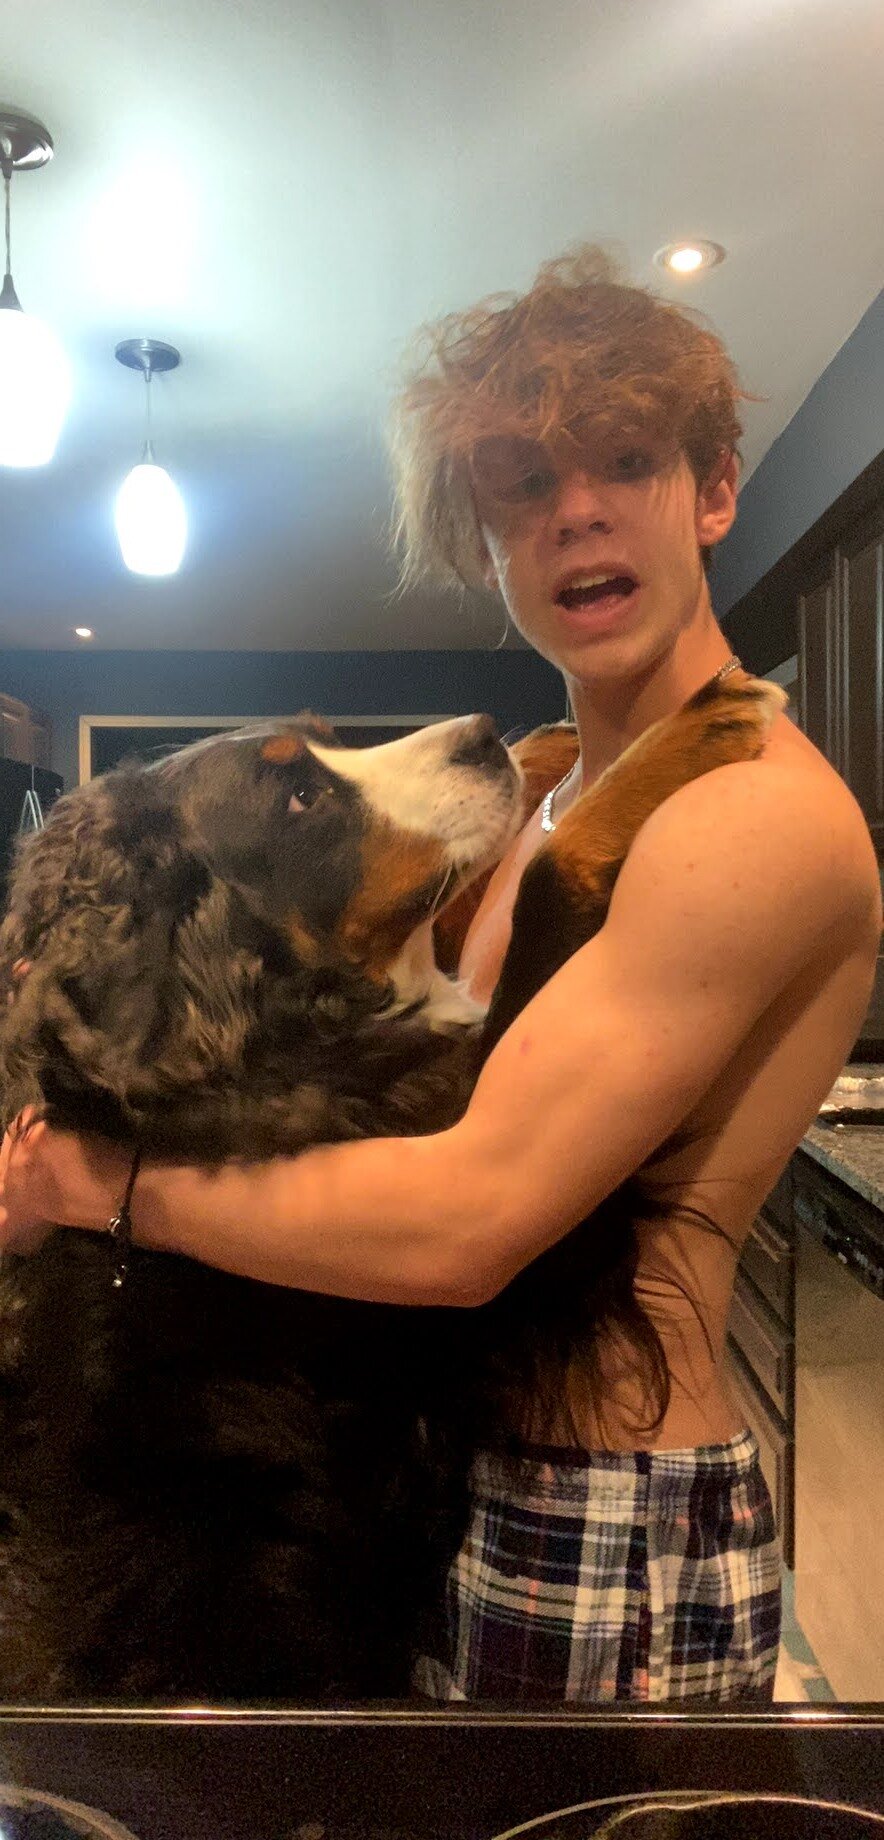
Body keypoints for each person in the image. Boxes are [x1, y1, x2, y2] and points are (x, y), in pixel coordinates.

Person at [1, 248, 880, 1704]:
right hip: (449, 1489)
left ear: (715, 490)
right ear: (486, 542)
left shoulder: (746, 815)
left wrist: (99, 1181)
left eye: (624, 459)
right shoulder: (559, 801)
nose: (574, 509)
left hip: (600, 1510)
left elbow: (471, 1220)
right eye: (522, 484)